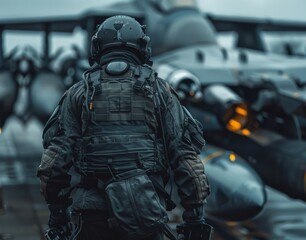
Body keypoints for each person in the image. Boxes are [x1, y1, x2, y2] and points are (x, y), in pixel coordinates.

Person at [37, 15, 210, 240]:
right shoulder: (160, 91)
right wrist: (195, 218)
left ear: (97, 48)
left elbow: (54, 164)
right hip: (145, 213)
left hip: (92, 217)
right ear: (143, 47)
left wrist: (58, 218)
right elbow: (185, 156)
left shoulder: (78, 93)